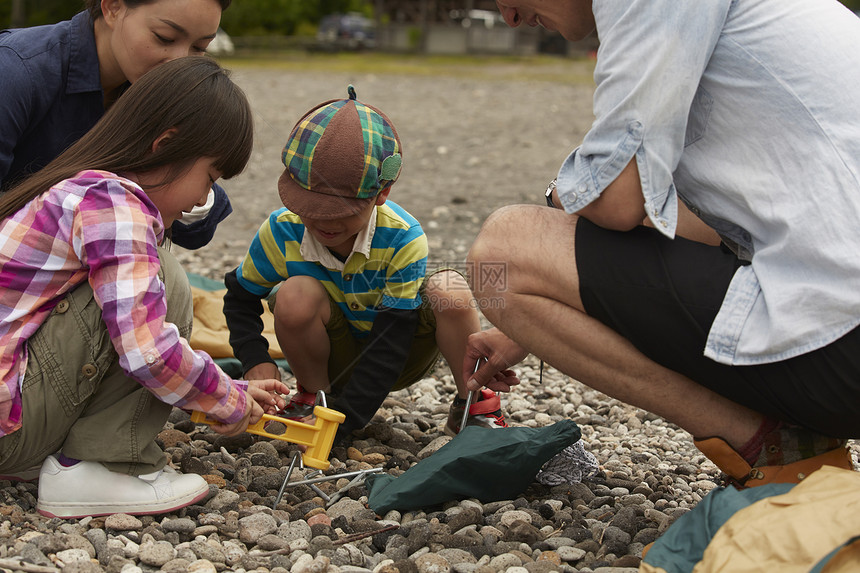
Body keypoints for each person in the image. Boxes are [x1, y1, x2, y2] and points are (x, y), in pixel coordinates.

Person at [465, 0, 860, 488]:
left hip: (845, 343)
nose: (508, 17)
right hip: (844, 325)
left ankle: (779, 452)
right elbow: (701, 225)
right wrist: (526, 327)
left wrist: (558, 195)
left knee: (501, 252)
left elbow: (614, 200)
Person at [0, 57, 289, 519]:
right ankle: (99, 466)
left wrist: (223, 385)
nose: (202, 199)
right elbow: (148, 350)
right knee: (166, 280)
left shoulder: (80, 186)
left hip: (11, 418)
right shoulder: (113, 203)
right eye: (209, 178)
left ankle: (68, 459)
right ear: (166, 145)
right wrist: (229, 402)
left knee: (145, 283)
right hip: (11, 432)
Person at [223, 87, 515, 437]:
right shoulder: (280, 231)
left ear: (382, 194)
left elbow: (390, 342)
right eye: (311, 210)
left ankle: (471, 401)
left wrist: (347, 421)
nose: (325, 223)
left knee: (449, 288)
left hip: (400, 354)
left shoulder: (403, 238)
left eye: (341, 212)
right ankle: (316, 400)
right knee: (294, 293)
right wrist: (256, 360)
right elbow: (240, 299)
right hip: (331, 359)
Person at [0, 0, 234, 250]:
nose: (180, 62)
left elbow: (196, 230)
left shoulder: (164, 90)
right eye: (165, 38)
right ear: (112, 7)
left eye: (199, 47)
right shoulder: (16, 71)